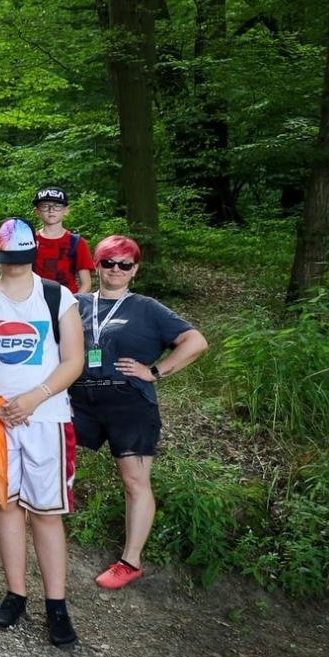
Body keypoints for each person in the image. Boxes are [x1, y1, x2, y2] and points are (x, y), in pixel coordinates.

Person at [0, 217, 85, 648]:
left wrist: (34, 397)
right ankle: (16, 594)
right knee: (6, 506)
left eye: (20, 256)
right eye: (7, 256)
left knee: (46, 512)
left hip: (46, 419)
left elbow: (74, 360)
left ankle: (57, 605)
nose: (14, 264)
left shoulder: (57, 297)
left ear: (33, 255)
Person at [73, 235, 207, 589]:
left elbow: (196, 341)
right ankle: (15, 523)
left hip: (129, 401)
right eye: (108, 262)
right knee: (45, 455)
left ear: (135, 270)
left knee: (134, 480)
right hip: (78, 399)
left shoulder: (148, 308)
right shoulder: (77, 303)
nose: (115, 269)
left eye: (124, 264)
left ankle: (130, 561)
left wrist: (156, 371)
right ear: (96, 266)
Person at [32, 186, 93, 294]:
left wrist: (74, 302)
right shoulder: (30, 241)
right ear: (37, 211)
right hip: (35, 300)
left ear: (66, 210)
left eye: (57, 206)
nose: (51, 210)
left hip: (68, 299)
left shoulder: (76, 242)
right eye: (45, 206)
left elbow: (86, 283)